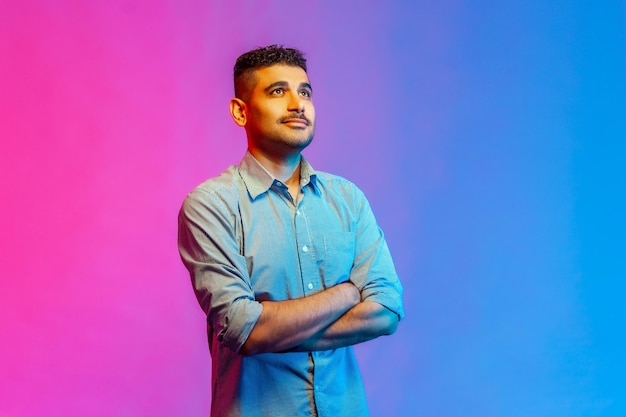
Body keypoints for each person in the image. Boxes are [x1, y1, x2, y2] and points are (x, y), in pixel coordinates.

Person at [178, 45, 404, 417]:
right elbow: (245, 330)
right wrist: (347, 293)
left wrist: (276, 329)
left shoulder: (347, 198)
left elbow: (387, 311)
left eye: (305, 92)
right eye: (278, 91)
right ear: (240, 111)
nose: (298, 104)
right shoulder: (210, 205)